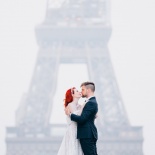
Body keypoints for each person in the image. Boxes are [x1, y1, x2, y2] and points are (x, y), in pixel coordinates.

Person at [70, 82, 98, 155]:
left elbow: (82, 119)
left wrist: (71, 115)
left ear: (88, 90)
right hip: (88, 134)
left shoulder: (91, 103)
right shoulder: (90, 102)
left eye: (82, 89)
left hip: (87, 135)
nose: (81, 92)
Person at [57, 87, 84, 155]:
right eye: (77, 91)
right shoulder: (70, 105)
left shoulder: (80, 106)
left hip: (78, 130)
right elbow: (76, 117)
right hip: (73, 131)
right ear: (72, 94)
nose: (79, 92)